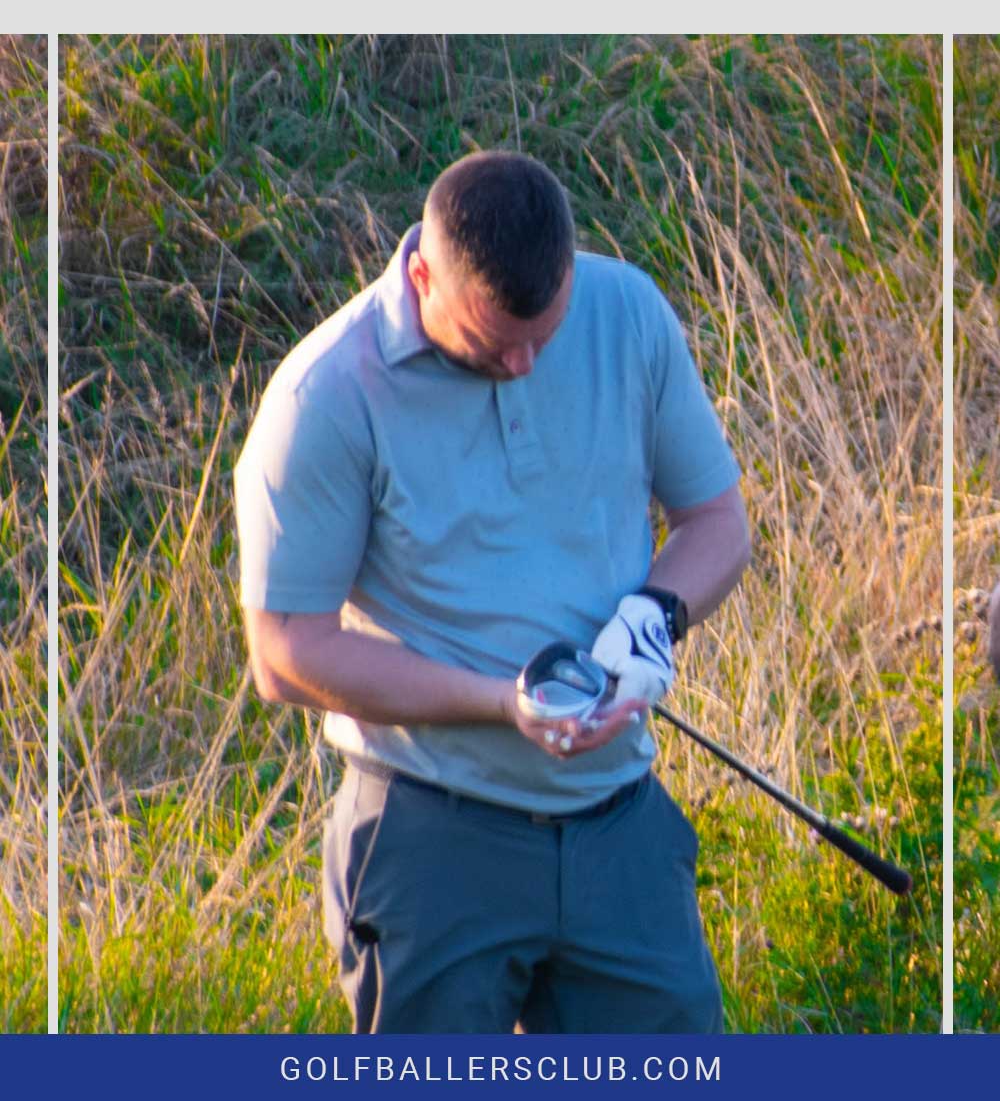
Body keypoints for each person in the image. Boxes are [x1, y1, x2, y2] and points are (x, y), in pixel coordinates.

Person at [236, 150, 750, 1035]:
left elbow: (717, 525)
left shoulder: (626, 312)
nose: (520, 366)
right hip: (432, 841)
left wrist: (652, 618)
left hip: (618, 825)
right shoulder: (323, 396)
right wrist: (497, 703)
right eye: (491, 341)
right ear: (421, 273)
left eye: (542, 338)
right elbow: (284, 652)